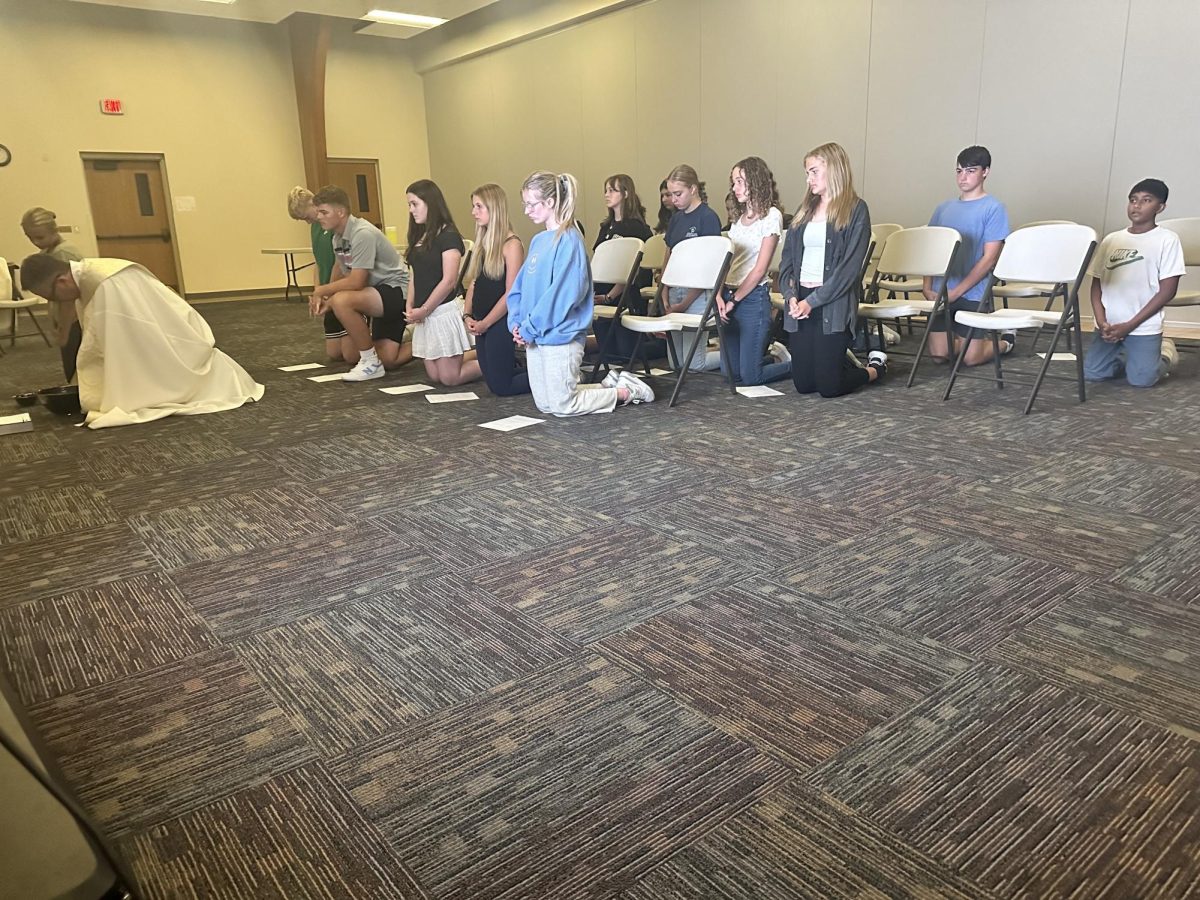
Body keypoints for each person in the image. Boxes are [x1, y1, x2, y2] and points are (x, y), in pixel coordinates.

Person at [18, 254, 263, 429]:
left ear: (62, 281)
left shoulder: (104, 284)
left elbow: (121, 344)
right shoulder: (91, 274)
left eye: (51, 297)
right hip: (169, 329)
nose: (56, 302)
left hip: (174, 338)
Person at [508, 171, 654, 415]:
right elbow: (518, 290)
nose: (527, 211)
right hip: (535, 334)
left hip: (560, 335)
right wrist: (516, 323)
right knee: (545, 405)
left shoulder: (569, 240)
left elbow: (562, 296)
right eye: (525, 204)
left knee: (563, 406)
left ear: (551, 202)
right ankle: (609, 384)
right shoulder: (538, 241)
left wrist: (529, 328)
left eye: (531, 204)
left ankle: (625, 391)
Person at [780, 142, 887, 397]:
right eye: (807, 173)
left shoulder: (856, 210)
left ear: (834, 169)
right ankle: (838, 358)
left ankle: (875, 368)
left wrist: (812, 302)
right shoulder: (804, 210)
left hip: (831, 305)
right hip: (801, 302)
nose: (809, 179)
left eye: (814, 171)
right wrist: (790, 295)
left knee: (829, 387)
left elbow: (849, 270)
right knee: (804, 385)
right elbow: (787, 262)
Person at [1084, 178, 1185, 388]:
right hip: (1109, 325)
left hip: (1143, 325)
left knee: (1142, 380)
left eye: (1146, 200)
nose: (1136, 205)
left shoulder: (1167, 239)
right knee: (1093, 373)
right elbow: (1096, 285)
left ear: (1160, 207)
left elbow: (1168, 290)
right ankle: (1130, 358)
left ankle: (1165, 354)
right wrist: (1101, 320)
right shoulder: (1112, 239)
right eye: (1133, 200)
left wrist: (1130, 325)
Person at [308, 186, 412, 381]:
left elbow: (356, 282)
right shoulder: (337, 237)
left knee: (343, 301)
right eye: (318, 212)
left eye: (324, 212)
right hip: (376, 293)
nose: (318, 216)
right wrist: (326, 300)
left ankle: (370, 362)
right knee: (389, 360)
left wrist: (321, 290)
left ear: (340, 212)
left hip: (396, 291)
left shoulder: (362, 233)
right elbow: (341, 271)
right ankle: (429, 339)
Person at [923, 145, 1011, 365]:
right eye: (959, 170)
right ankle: (961, 338)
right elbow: (928, 250)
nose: (963, 177)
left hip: (972, 292)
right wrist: (927, 287)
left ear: (985, 172)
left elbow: (990, 259)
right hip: (940, 290)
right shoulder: (943, 208)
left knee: (969, 358)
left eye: (970, 171)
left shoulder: (993, 208)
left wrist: (956, 292)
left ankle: (1006, 341)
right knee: (939, 356)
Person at [716, 157, 790, 385]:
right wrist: (719, 294)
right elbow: (728, 263)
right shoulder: (739, 220)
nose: (735, 188)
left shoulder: (772, 216)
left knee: (750, 377)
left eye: (740, 182)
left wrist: (734, 301)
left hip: (751, 299)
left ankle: (801, 363)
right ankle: (768, 356)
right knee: (730, 373)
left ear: (755, 182)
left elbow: (759, 270)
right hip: (729, 294)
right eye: (734, 182)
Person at [404, 180, 480, 386]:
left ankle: (493, 361)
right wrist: (410, 305)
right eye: (409, 205)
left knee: (449, 377)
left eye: (415, 204)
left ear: (430, 203)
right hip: (425, 314)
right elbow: (414, 274)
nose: (411, 210)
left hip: (442, 310)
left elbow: (449, 281)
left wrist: (425, 309)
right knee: (435, 376)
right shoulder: (420, 235)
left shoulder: (449, 236)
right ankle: (477, 354)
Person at [463, 184, 528, 396]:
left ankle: (557, 378)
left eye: (479, 207)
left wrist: (485, 323)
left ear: (494, 208)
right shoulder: (483, 244)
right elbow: (474, 283)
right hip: (482, 320)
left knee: (503, 387)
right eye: (473, 206)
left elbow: (511, 293)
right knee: (493, 383)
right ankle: (516, 365)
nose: (474, 212)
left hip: (500, 320)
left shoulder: (512, 245)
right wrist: (468, 315)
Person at [591, 173, 661, 366]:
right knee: (609, 354)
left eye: (612, 190)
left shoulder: (636, 228)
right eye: (606, 190)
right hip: (602, 291)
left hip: (623, 294)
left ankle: (661, 344)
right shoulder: (606, 227)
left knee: (628, 354)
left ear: (626, 193)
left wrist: (610, 296)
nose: (607, 194)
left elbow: (632, 270)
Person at [659, 164, 723, 371]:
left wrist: (685, 302)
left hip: (697, 293)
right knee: (675, 363)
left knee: (693, 365)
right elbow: (668, 255)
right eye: (671, 194)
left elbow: (708, 269)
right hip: (675, 288)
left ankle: (736, 356)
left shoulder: (708, 217)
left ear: (693, 189)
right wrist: (664, 290)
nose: (674, 199)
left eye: (678, 194)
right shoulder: (676, 219)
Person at [21, 207, 84, 379]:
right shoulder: (47, 252)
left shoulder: (63, 253)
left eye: (40, 237)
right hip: (67, 320)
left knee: (76, 368)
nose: (35, 242)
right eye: (30, 237)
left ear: (54, 230)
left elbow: (68, 299)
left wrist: (64, 330)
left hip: (75, 320)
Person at [286, 186, 347, 363]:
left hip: (341, 288)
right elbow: (318, 263)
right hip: (328, 289)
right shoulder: (314, 228)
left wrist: (326, 292)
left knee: (351, 354)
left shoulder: (332, 225)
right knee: (334, 354)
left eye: (306, 217)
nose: (307, 222)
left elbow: (339, 262)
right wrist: (317, 291)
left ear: (315, 205)